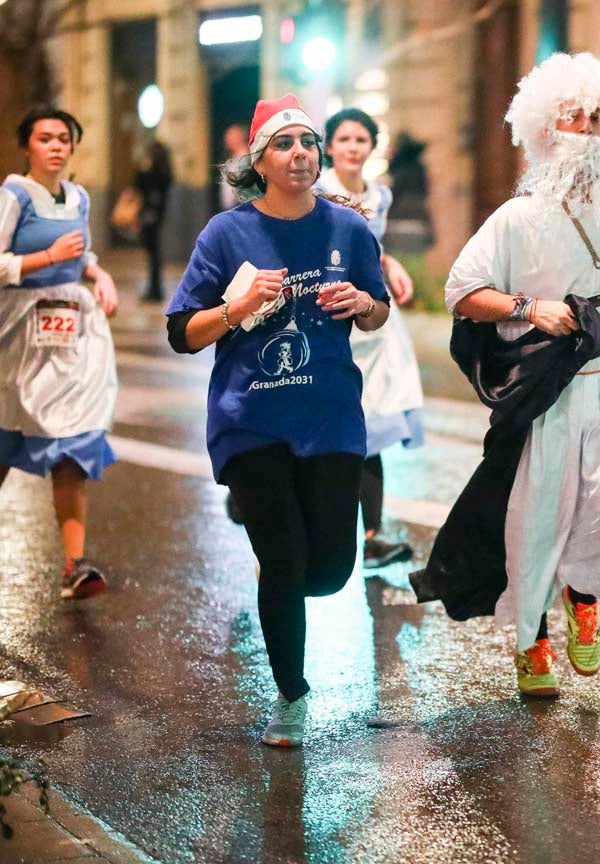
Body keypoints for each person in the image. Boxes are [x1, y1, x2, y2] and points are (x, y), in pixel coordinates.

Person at [419, 52, 600, 698]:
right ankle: (530, 640)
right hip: (549, 394)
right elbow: (461, 290)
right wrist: (532, 310)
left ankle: (583, 595)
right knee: (535, 525)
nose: (583, 128)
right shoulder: (517, 219)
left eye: (594, 117)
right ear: (542, 129)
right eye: (570, 116)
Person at [165, 94, 390, 748]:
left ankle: (277, 555)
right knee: (286, 561)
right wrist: (236, 309)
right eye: (285, 144)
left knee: (331, 570)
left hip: (330, 418)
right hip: (252, 420)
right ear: (259, 162)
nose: (301, 154)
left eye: (308, 143)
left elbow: (378, 310)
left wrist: (362, 303)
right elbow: (182, 333)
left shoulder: (348, 231)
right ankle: (291, 697)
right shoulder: (225, 234)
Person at [0, 106, 119, 600]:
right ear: (27, 145)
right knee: (5, 441)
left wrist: (98, 273)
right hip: (18, 333)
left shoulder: (79, 197)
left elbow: (82, 251)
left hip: (70, 333)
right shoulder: (12, 195)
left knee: (71, 441)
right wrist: (46, 258)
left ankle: (75, 565)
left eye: (64, 138)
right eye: (45, 137)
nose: (55, 146)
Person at [316, 107, 425, 568]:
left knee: (373, 425)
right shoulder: (316, 190)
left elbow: (372, 251)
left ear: (371, 147)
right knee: (320, 428)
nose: (353, 148)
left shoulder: (380, 196)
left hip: (375, 322)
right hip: (327, 317)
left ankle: (375, 537)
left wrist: (389, 264)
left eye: (361, 139)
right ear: (330, 146)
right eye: (344, 139)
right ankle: (258, 503)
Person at [134, 140, 172, 302]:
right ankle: (155, 288)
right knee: (155, 254)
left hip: (149, 216)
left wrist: (142, 169)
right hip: (158, 215)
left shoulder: (151, 172)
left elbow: (137, 184)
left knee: (153, 254)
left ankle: (154, 289)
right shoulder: (166, 172)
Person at [218, 123, 248, 211]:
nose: (226, 140)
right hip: (230, 209)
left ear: (239, 138)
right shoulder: (233, 160)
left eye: (230, 136)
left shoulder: (247, 160)